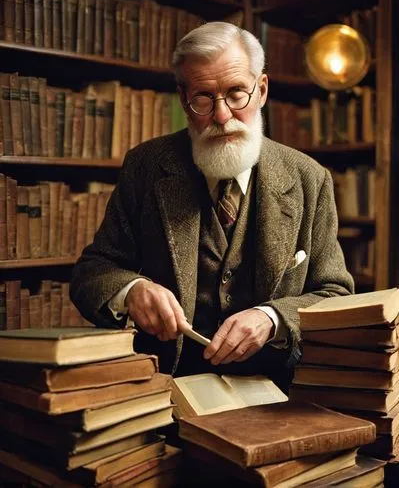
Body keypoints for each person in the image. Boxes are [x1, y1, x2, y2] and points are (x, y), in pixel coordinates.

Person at [70, 22, 354, 392]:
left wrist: (272, 318)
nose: (222, 116)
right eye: (203, 99)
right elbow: (92, 272)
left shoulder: (309, 178)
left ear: (262, 90)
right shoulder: (146, 165)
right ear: (183, 98)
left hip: (278, 390)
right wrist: (132, 289)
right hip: (165, 387)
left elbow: (334, 294)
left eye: (237, 94)